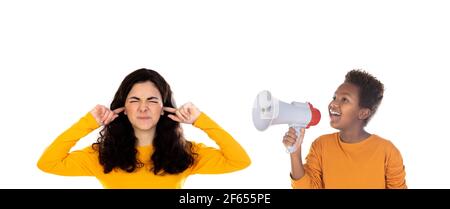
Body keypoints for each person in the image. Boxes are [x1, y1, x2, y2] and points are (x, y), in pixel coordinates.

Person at [37, 68, 251, 188]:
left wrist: (200, 120)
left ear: (164, 107)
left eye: (152, 100)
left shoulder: (184, 154)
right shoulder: (102, 156)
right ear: (123, 108)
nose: (143, 108)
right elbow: (48, 163)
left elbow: (239, 161)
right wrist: (89, 123)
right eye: (134, 100)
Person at [283, 69, 406, 189]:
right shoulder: (321, 145)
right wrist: (295, 152)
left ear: (363, 113)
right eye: (334, 97)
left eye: (344, 100)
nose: (333, 104)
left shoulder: (387, 151)